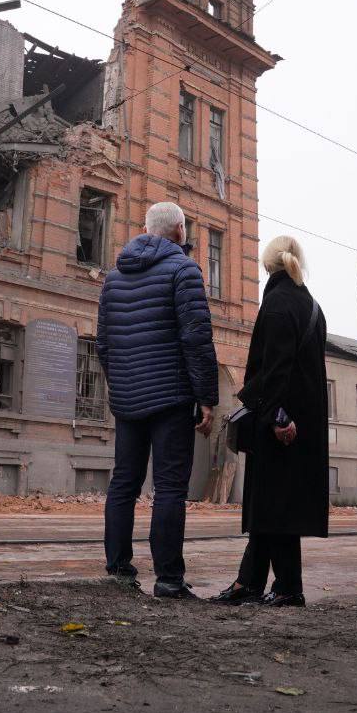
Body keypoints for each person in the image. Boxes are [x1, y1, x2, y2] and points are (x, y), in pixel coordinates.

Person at [97, 201, 218, 599]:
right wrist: (206, 398)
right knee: (169, 488)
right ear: (180, 231)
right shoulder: (184, 270)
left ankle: (118, 569)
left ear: (146, 229)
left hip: (128, 397)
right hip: (170, 397)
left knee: (124, 483)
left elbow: (104, 343)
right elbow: (196, 339)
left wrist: (120, 383)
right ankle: (168, 579)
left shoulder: (114, 278)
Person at [211, 236, 328, 608]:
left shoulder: (277, 304)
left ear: (266, 265)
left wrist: (277, 417)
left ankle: (290, 588)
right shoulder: (311, 305)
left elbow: (276, 370)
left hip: (281, 422)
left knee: (275, 505)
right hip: (303, 421)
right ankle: (250, 582)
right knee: (271, 505)